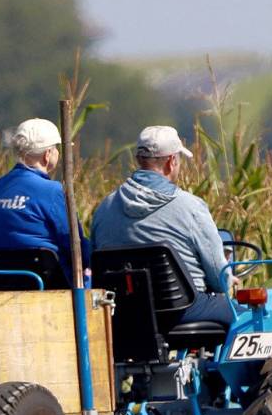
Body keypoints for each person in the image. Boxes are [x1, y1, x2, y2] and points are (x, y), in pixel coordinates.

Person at [91, 126, 233, 326]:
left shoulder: (104, 208)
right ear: (171, 161)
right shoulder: (191, 207)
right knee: (248, 316)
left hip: (126, 314)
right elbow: (220, 281)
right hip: (183, 310)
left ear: (139, 159)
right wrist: (228, 280)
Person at [0, 118, 89, 285]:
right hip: (46, 282)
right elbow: (75, 245)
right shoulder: (53, 190)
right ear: (47, 155)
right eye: (56, 149)